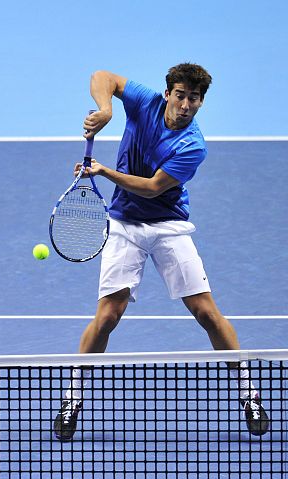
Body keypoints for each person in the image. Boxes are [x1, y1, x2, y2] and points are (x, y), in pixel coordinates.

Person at [52, 64, 269, 440]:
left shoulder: (192, 146)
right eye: (181, 95)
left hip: (169, 226)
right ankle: (73, 397)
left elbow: (152, 188)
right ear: (168, 93)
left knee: (206, 312)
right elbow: (102, 76)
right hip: (124, 225)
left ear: (201, 103)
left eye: (194, 99)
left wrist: (102, 172)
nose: (185, 105)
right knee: (107, 316)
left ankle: (248, 393)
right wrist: (105, 109)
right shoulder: (144, 101)